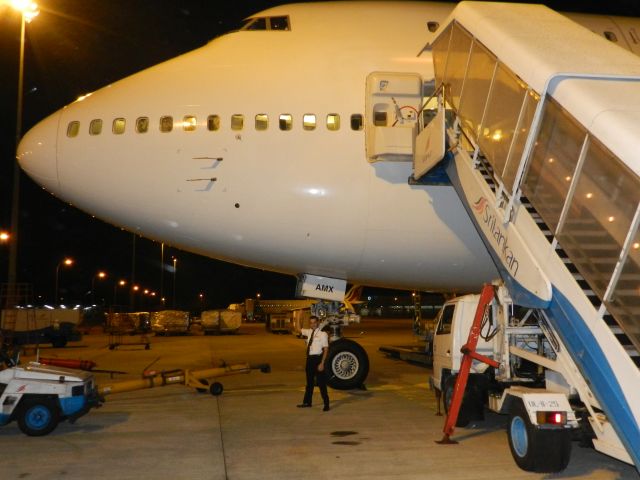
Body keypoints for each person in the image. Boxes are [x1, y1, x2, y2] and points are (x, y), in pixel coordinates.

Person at [297, 316, 330, 411]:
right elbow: (298, 329)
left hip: (318, 359)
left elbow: (326, 349)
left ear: (318, 322)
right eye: (311, 323)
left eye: (314, 322)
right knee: (309, 383)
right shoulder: (309, 332)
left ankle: (326, 404)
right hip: (310, 360)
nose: (313, 324)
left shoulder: (323, 334)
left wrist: (322, 363)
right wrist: (299, 318)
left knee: (321, 383)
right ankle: (307, 402)